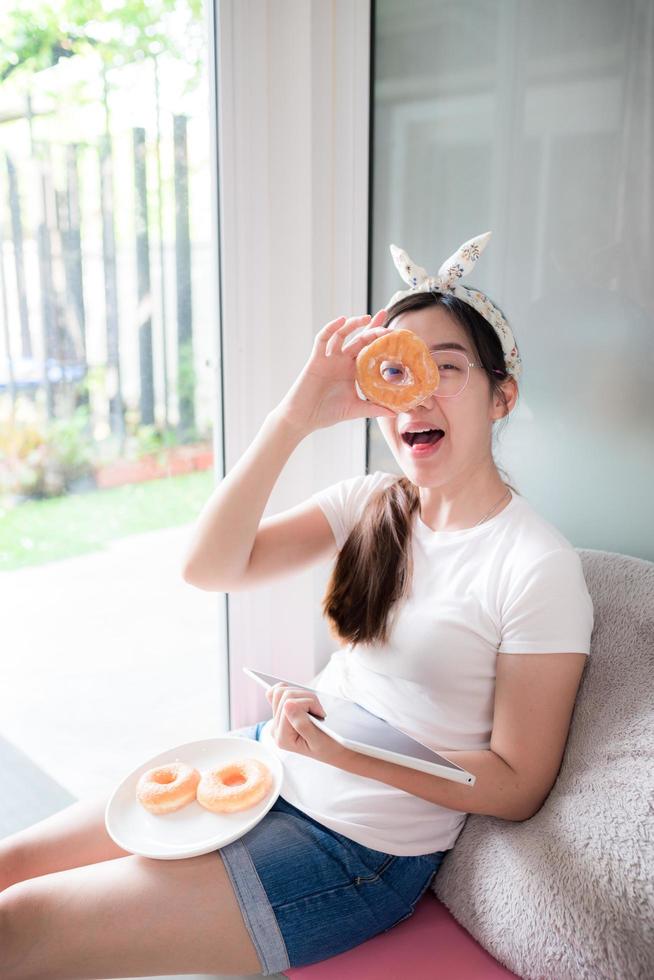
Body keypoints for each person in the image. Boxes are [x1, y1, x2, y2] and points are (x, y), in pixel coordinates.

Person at [0, 233, 594, 979]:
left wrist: (349, 754)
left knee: (17, 926)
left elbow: (517, 783)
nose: (422, 391)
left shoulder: (536, 565)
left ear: (502, 395)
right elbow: (208, 566)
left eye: (449, 367)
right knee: (10, 864)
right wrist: (296, 416)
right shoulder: (375, 503)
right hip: (270, 761)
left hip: (356, 845)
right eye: (400, 371)